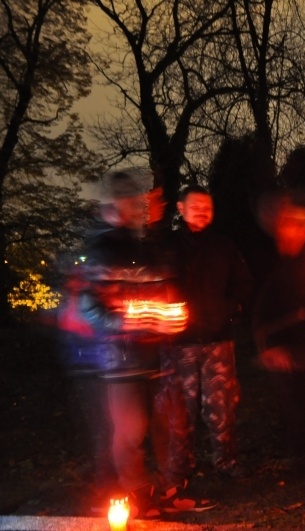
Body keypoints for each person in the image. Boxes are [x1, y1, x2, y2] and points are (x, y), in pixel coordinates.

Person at [75, 168, 198, 518]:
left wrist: (168, 314)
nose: (131, 208)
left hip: (150, 355)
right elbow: (88, 308)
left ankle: (156, 490)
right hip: (119, 360)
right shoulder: (100, 251)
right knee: (130, 431)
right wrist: (125, 320)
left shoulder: (138, 245)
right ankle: (136, 494)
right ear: (109, 206)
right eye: (125, 201)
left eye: (134, 201)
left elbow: (162, 280)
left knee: (157, 428)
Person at [157, 184, 252, 505]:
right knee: (178, 409)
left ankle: (226, 461)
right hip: (176, 343)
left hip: (217, 342)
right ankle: (179, 468)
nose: (202, 211)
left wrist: (229, 309)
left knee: (221, 406)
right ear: (181, 208)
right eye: (196, 205)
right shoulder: (166, 246)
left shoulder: (224, 246)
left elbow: (243, 284)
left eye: (208, 206)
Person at [251, 188, 305, 475]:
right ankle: (298, 458)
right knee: (293, 406)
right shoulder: (269, 262)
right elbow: (258, 310)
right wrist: (269, 346)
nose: (301, 229)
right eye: (294, 223)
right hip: (282, 348)